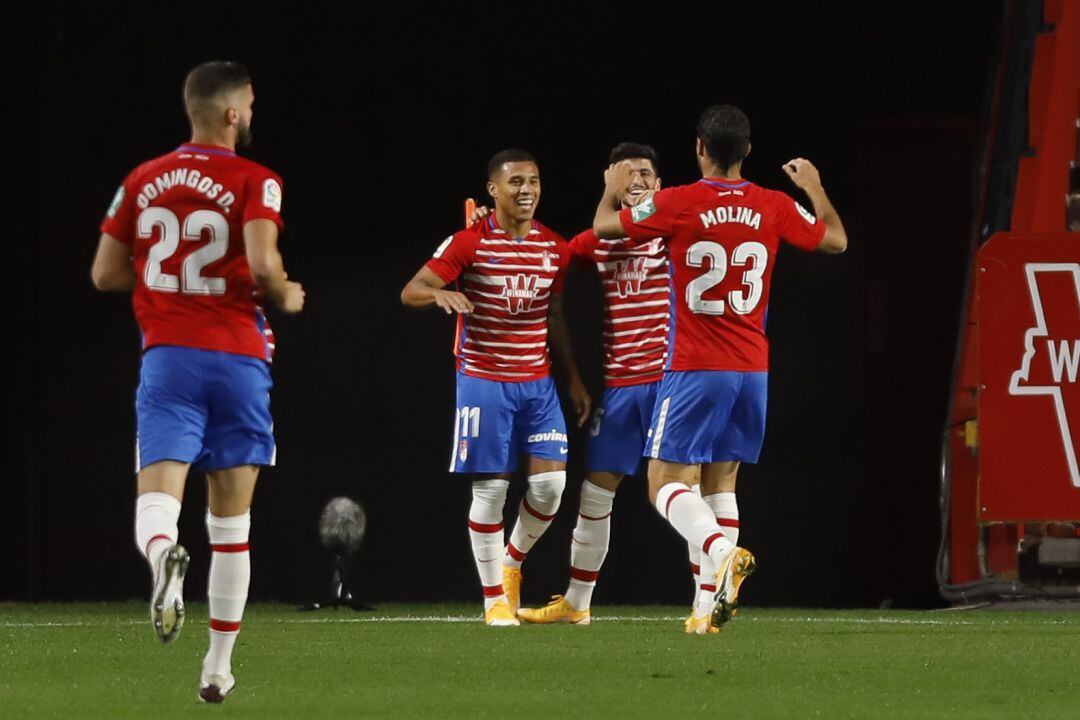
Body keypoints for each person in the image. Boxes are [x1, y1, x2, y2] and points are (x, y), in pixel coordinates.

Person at [91, 61, 304, 702]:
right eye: (250, 104)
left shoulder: (142, 178)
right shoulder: (256, 179)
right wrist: (285, 294)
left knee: (157, 501)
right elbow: (264, 265)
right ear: (233, 112)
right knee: (231, 524)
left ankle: (162, 559)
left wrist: (164, 283)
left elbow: (104, 274)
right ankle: (216, 670)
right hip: (238, 359)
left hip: (169, 358)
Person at [593, 105, 847, 631]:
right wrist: (815, 188)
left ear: (700, 148)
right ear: (748, 151)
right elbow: (835, 240)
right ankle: (706, 608)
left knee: (663, 483)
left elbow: (604, 227)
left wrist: (612, 187)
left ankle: (720, 552)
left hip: (695, 365)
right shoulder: (773, 205)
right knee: (721, 485)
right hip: (752, 370)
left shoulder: (679, 203)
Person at [516, 143, 709, 626]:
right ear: (610, 182)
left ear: (660, 185)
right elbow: (545, 253)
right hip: (622, 388)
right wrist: (491, 229)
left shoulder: (673, 231)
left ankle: (704, 603)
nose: (637, 180)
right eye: (626, 174)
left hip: (672, 383)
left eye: (645, 172)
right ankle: (577, 605)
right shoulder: (595, 242)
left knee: (687, 494)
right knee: (595, 495)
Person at [401, 149, 590, 626]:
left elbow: (555, 317)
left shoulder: (555, 248)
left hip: (537, 382)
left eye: (534, 181)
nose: (526, 190)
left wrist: (572, 379)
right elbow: (411, 290)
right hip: (484, 380)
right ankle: (493, 602)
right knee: (491, 491)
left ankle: (509, 564)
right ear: (494, 190)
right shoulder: (469, 243)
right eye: (515, 183)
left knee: (549, 489)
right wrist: (439, 292)